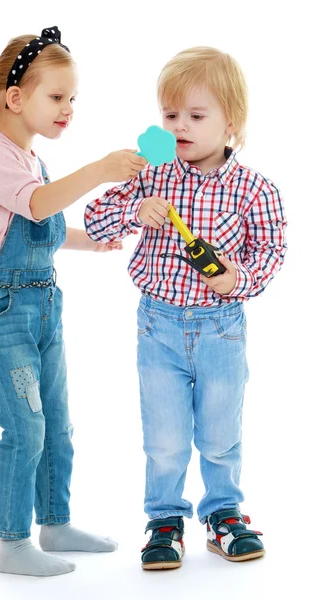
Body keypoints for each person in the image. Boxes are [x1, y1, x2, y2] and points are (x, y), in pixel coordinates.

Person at [84, 46, 287, 569]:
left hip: (222, 329)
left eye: (197, 116)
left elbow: (271, 252)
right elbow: (97, 218)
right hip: (158, 326)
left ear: (231, 124)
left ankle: (224, 515)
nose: (181, 127)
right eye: (171, 115)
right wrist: (134, 210)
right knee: (166, 437)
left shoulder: (255, 190)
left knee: (220, 434)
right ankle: (165, 520)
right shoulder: (151, 173)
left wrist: (233, 277)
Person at [0, 26, 147, 577]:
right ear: (15, 99)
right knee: (26, 427)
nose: (69, 109)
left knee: (58, 421)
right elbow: (38, 206)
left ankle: (55, 519)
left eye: (73, 99)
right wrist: (100, 171)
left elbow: (45, 222)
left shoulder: (31, 160)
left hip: (44, 305)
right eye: (58, 97)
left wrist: (92, 240)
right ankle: (12, 542)